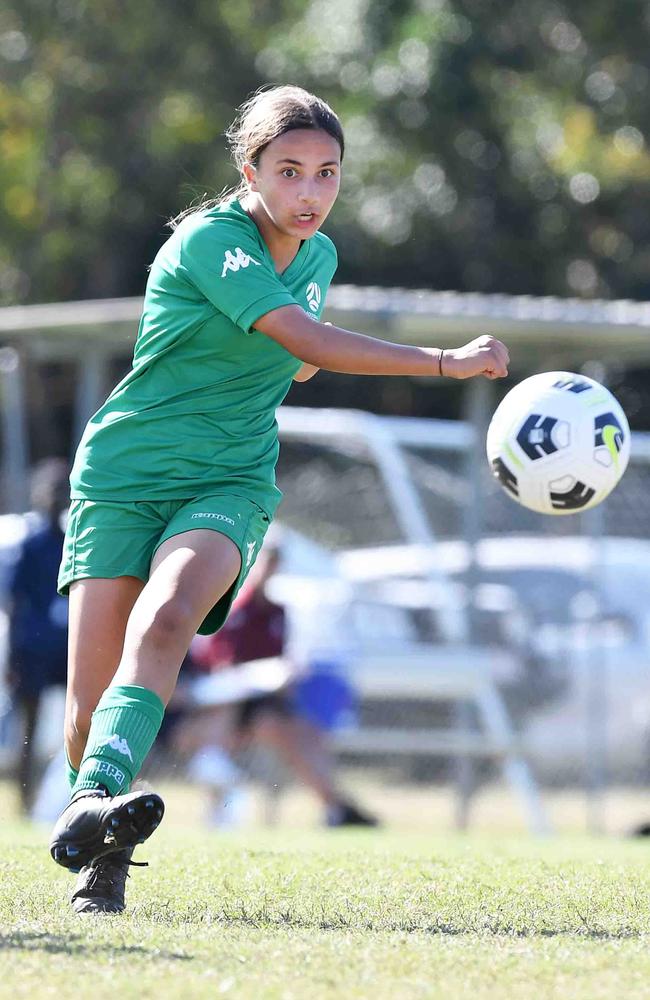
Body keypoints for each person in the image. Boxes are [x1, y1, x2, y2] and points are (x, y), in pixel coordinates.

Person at [48, 84, 509, 915]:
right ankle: (98, 835)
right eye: (289, 171)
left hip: (228, 478)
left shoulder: (318, 257)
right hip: (123, 474)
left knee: (166, 620)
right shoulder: (210, 239)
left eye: (327, 174)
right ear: (248, 169)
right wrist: (445, 361)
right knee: (86, 714)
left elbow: (294, 363)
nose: (309, 192)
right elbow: (304, 346)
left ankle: (96, 828)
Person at [170, 537, 376, 828]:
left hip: (260, 699)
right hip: (223, 700)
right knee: (235, 721)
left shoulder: (278, 612)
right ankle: (222, 801)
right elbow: (218, 665)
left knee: (304, 733)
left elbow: (277, 660)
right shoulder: (234, 607)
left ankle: (336, 806)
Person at [5, 458, 70, 815]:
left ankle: (61, 798)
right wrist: (13, 657)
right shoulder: (29, 545)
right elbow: (15, 602)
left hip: (64, 650)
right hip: (33, 651)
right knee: (27, 729)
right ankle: (25, 800)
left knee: (74, 722)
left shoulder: (73, 543)